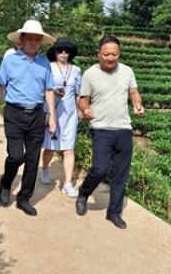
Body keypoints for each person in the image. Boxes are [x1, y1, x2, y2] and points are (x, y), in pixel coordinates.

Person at [75, 35, 144, 229]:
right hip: (101, 128)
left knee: (121, 173)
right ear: (99, 54)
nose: (110, 58)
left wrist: (137, 104)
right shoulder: (90, 74)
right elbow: (83, 99)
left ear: (119, 54)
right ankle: (83, 193)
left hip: (123, 128)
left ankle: (113, 212)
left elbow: (133, 92)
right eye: (106, 54)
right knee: (100, 168)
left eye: (114, 54)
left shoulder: (127, 71)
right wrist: (85, 109)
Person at [0, 19, 56, 217]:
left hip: (37, 114)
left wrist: (52, 116)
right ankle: (6, 183)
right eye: (30, 39)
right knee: (17, 155)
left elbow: (49, 91)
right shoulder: (10, 60)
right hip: (14, 113)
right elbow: (0, 87)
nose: (33, 42)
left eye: (37, 39)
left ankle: (24, 198)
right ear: (22, 39)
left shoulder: (45, 63)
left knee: (33, 159)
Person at [40, 37, 82, 197]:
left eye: (66, 50)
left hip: (70, 113)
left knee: (69, 148)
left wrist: (80, 110)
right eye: (60, 50)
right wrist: (53, 92)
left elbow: (78, 92)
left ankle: (67, 183)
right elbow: (44, 88)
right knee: (50, 147)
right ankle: (44, 169)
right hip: (53, 112)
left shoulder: (76, 70)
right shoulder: (48, 67)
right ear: (55, 52)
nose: (63, 53)